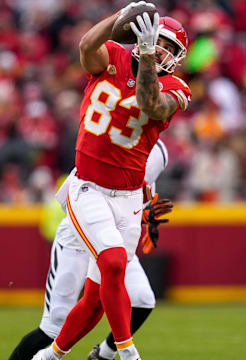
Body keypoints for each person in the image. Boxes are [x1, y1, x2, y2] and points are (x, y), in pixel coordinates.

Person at [32, 1, 191, 359]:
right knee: (114, 262)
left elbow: (150, 105)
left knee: (96, 297)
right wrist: (120, 17)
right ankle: (127, 353)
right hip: (88, 186)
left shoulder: (177, 86)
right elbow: (87, 46)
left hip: (128, 199)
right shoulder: (114, 56)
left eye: (171, 48)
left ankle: (49, 356)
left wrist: (150, 55)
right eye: (160, 40)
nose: (163, 49)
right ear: (143, 36)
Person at [9, 140, 171, 360]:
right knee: (53, 325)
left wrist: (147, 219)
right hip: (80, 236)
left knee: (142, 299)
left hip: (114, 237)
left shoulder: (158, 150)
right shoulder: (111, 135)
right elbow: (79, 192)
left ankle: (103, 354)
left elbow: (142, 196)